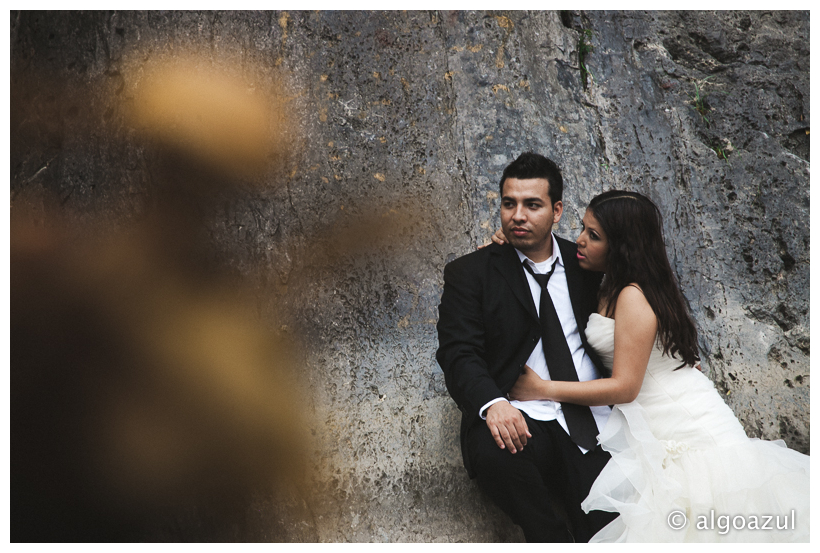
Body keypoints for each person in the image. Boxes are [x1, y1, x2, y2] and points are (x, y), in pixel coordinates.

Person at [494, 190, 810, 542]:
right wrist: (513, 248)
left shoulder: (632, 295)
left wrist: (542, 388)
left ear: (623, 247)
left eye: (594, 236)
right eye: (582, 228)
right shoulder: (609, 283)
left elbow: (625, 387)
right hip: (653, 428)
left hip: (686, 428)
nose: (580, 240)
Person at [436, 152, 617, 542]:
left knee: (610, 525)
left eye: (532, 205)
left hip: (594, 416)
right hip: (521, 415)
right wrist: (492, 403)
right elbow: (458, 353)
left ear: (557, 210)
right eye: (508, 203)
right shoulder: (471, 273)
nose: (517, 215)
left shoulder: (586, 264)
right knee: (494, 451)